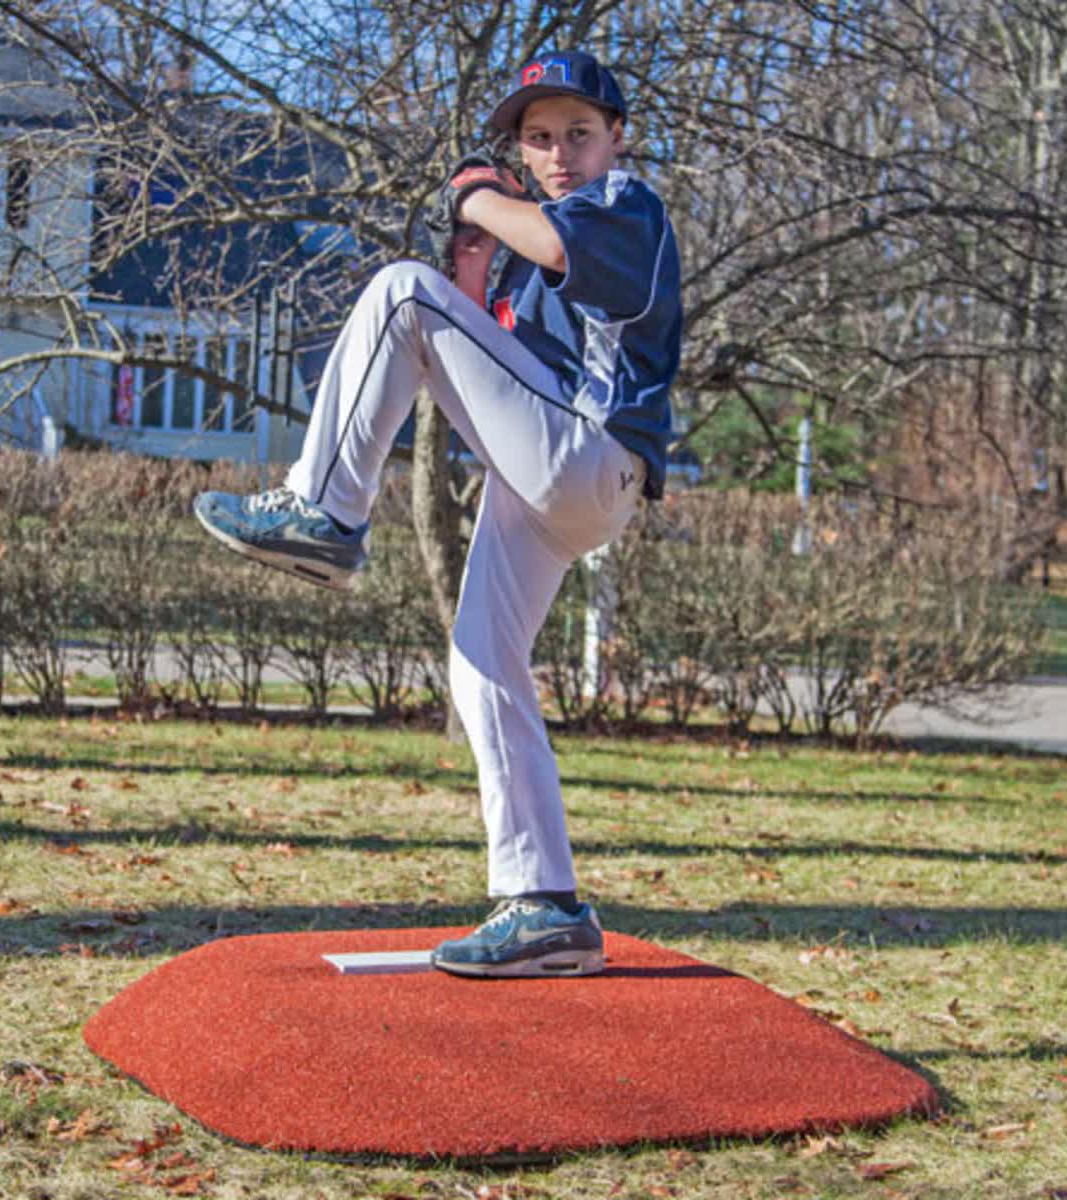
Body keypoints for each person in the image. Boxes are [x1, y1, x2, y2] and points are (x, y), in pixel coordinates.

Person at [194, 50, 682, 978]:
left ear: (617, 138)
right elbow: (461, 364)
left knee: (394, 289)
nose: (562, 151)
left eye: (580, 131)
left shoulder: (625, 204)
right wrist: (469, 273)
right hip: (552, 480)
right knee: (481, 662)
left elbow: (539, 245)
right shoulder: (531, 256)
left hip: (592, 456)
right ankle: (545, 905)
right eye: (539, 137)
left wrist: (473, 197)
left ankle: (323, 512)